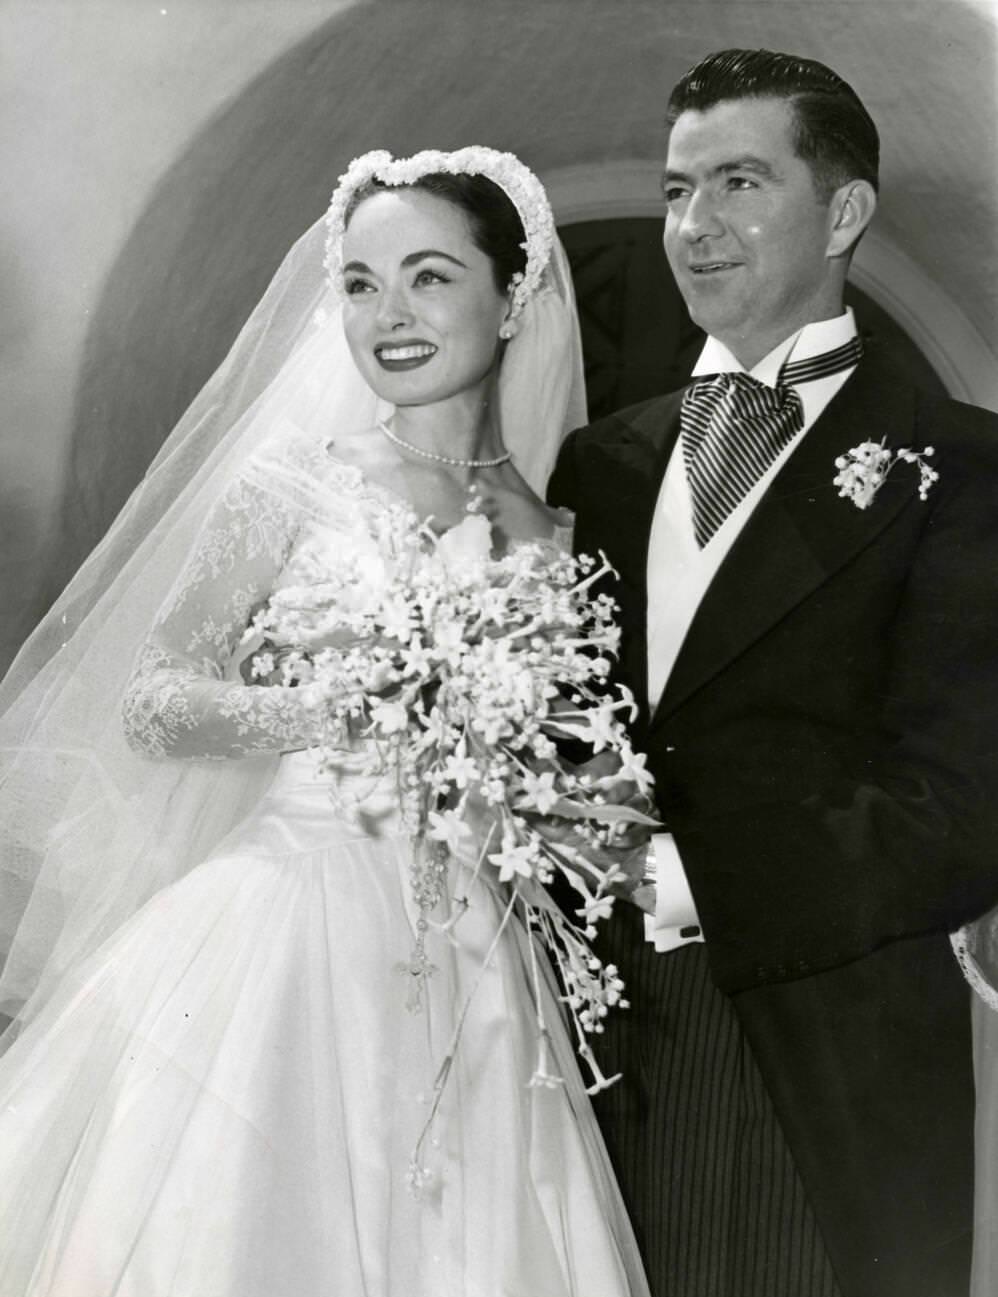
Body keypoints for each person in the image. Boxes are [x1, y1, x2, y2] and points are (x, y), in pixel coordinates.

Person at [0, 147, 651, 1297]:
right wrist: (343, 706)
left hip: (468, 968)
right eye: (359, 283)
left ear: (511, 298)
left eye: (428, 277)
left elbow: (563, 782)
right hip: (284, 924)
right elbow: (154, 701)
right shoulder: (292, 485)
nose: (387, 314)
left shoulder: (549, 532)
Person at [549, 48, 998, 1297]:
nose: (691, 225)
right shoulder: (600, 464)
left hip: (815, 1058)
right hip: (580, 1051)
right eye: (674, 189)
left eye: (737, 183)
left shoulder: (964, 468)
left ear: (842, 211)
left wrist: (688, 877)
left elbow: (961, 804)